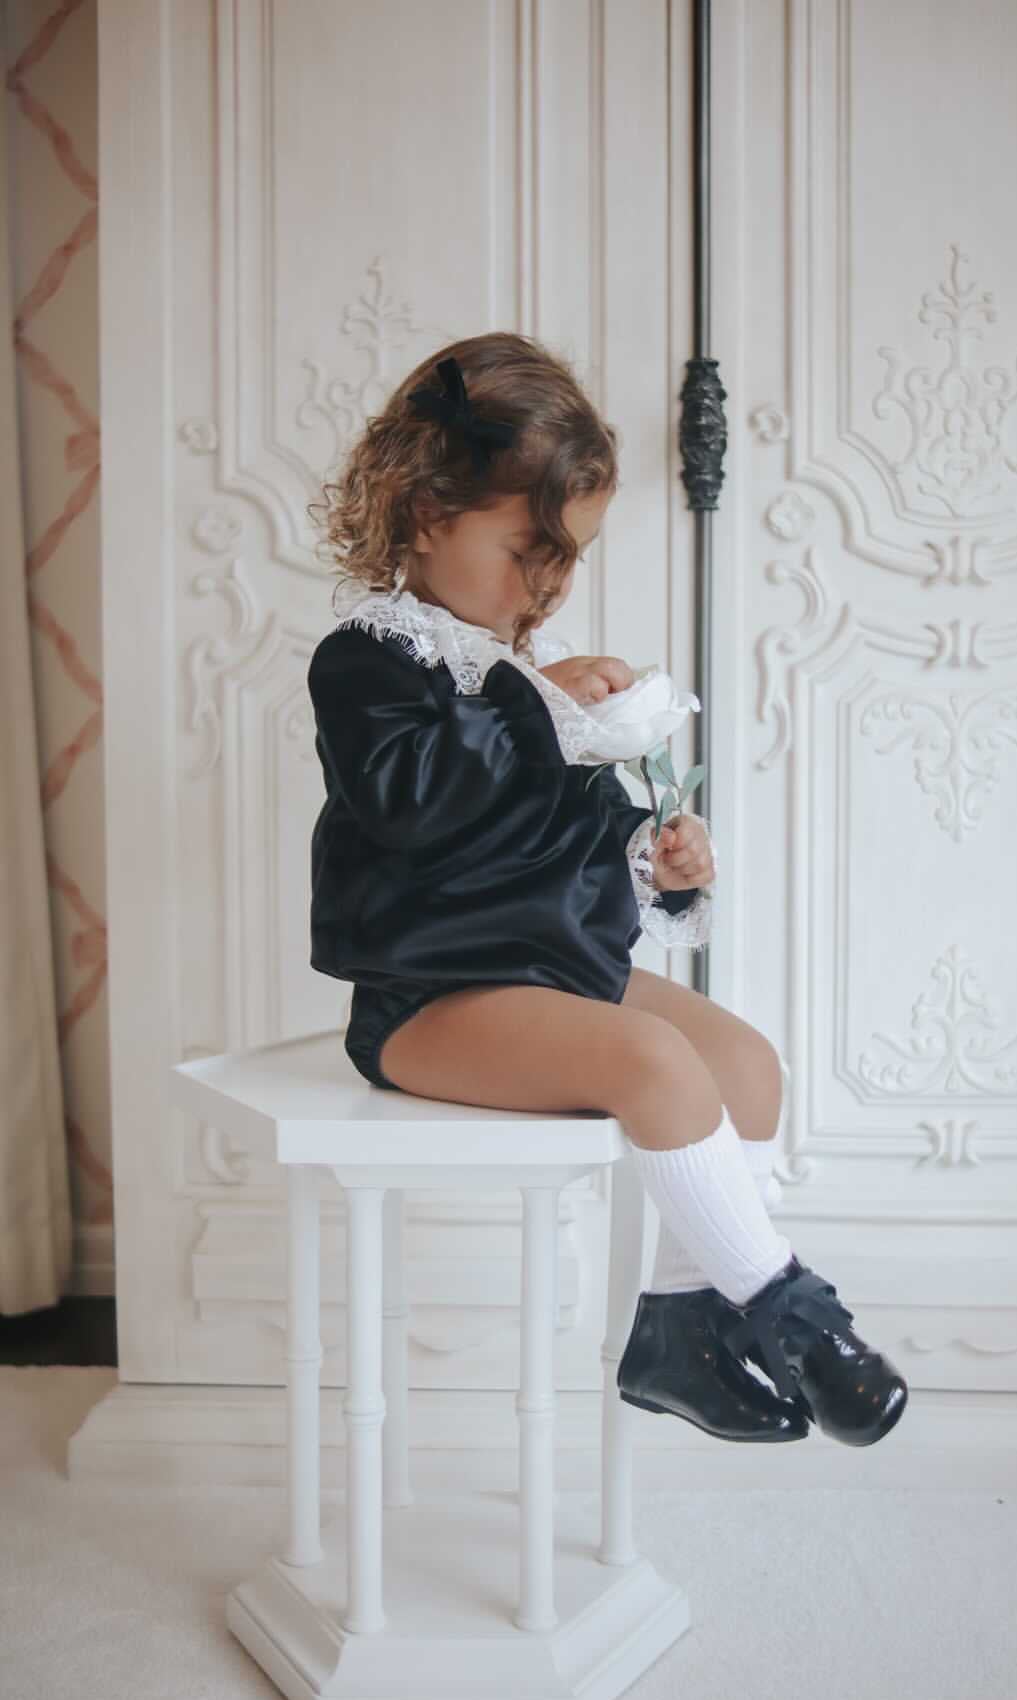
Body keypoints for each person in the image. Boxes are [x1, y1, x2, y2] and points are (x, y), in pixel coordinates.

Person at [305, 333, 907, 1449]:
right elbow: (415, 804)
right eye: (527, 548)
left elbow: (560, 834)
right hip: (430, 1000)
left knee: (744, 1063)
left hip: (551, 968)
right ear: (427, 511)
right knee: (653, 1061)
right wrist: (543, 707)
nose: (548, 583)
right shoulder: (369, 660)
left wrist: (647, 858)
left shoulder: (530, 673)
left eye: (568, 558)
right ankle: (791, 1312)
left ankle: (679, 1326)